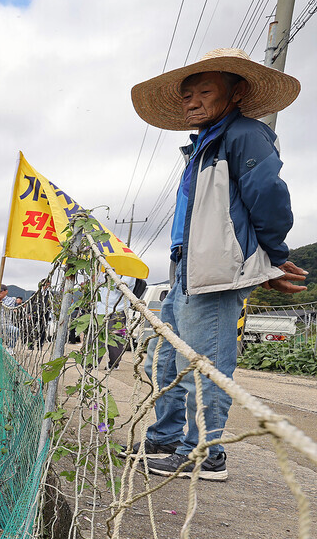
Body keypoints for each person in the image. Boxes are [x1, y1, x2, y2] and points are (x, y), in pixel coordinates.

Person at [129, 48, 308, 480]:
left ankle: (205, 453)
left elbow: (268, 197)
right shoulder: (201, 145)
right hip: (185, 269)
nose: (190, 101)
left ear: (237, 91)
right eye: (186, 94)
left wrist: (272, 258)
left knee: (204, 366)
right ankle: (165, 439)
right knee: (167, 360)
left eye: (203, 91)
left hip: (214, 271)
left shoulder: (245, 135)